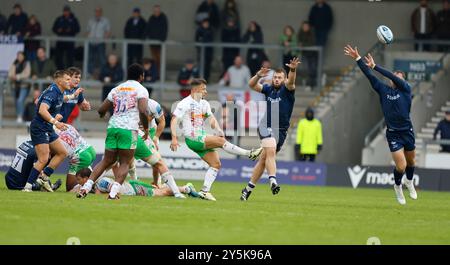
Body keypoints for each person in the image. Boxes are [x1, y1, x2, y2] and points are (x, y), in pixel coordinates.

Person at [344, 44, 417, 205]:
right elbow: (369, 75)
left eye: (398, 77)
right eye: (393, 77)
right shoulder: (383, 90)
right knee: (402, 166)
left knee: (412, 162)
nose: (395, 79)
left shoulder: (406, 89)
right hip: (393, 133)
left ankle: (409, 182)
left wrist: (376, 66)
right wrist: (358, 58)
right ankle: (397, 185)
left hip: (407, 131)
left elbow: (392, 76)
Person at [170, 78, 262, 201]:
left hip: (200, 137)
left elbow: (212, 119)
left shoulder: (204, 104)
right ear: (195, 89)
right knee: (221, 142)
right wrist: (174, 138)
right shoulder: (184, 103)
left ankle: (204, 191)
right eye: (203, 89)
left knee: (216, 164)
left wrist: (219, 130)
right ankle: (249, 154)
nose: (206, 92)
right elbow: (174, 120)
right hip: (193, 138)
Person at [75, 64, 150, 200]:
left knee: (106, 161)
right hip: (128, 129)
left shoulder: (117, 88)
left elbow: (102, 109)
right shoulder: (141, 89)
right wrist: (146, 128)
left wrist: (103, 115)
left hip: (113, 127)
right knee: (125, 162)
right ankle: (113, 193)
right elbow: (144, 110)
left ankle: (85, 187)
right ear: (141, 76)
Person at [240, 58, 300, 201]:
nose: (277, 79)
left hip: (281, 131)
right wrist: (259, 75)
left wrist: (293, 69)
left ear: (284, 79)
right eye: (275, 77)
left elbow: (291, 81)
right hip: (265, 126)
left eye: (280, 77)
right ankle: (273, 181)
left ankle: (247, 189)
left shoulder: (288, 89)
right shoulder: (268, 89)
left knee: (264, 160)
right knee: (271, 150)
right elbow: (251, 85)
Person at [23, 70, 71, 192]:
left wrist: (73, 96)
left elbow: (57, 99)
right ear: (60, 81)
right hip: (39, 127)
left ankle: (44, 178)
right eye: (67, 79)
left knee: (62, 153)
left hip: (47, 127)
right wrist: (56, 122)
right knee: (43, 159)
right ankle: (27, 187)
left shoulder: (59, 91)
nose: (69, 82)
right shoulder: (53, 91)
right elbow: (42, 110)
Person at [72, 168, 200, 198]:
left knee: (162, 192)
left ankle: (186, 188)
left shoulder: (102, 182)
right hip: (132, 186)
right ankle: (185, 188)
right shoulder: (95, 183)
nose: (79, 182)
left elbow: (104, 193)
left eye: (79, 180)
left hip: (134, 189)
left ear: (86, 178)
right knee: (159, 189)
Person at [53, 123, 96, 191]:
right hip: (90, 149)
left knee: (70, 188)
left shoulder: (49, 131)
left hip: (80, 155)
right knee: (85, 176)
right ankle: (93, 185)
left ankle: (91, 188)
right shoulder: (66, 125)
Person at [86, 7, 111, 76]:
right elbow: (88, 31)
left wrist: (104, 40)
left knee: (102, 59)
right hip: (91, 42)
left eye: (99, 11)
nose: (97, 13)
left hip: (100, 42)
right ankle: (89, 73)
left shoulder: (105, 21)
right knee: (90, 58)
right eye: (96, 11)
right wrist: (88, 38)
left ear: (101, 12)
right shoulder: (91, 20)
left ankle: (103, 73)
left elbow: (108, 32)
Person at [8, 51, 31, 124]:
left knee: (20, 100)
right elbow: (10, 73)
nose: (19, 57)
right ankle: (19, 116)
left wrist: (17, 77)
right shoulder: (14, 63)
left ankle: (20, 116)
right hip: (15, 86)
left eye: (21, 56)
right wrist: (12, 76)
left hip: (24, 85)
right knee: (16, 101)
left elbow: (27, 74)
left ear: (23, 56)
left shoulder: (26, 63)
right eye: (18, 56)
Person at [146, 5, 168, 77]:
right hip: (152, 42)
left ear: (160, 11)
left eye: (157, 11)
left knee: (159, 60)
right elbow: (148, 28)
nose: (156, 12)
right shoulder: (151, 18)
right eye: (155, 11)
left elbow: (164, 28)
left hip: (160, 43)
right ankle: (155, 74)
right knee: (154, 59)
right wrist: (145, 36)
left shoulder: (163, 18)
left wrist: (162, 38)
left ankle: (159, 75)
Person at [297, 21, 317, 88]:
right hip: (304, 54)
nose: (305, 28)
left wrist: (303, 45)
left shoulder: (312, 33)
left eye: (306, 26)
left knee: (312, 69)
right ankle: (308, 84)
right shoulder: (300, 33)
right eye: (304, 26)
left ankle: (312, 84)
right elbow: (298, 42)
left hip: (312, 54)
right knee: (306, 69)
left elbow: (312, 42)